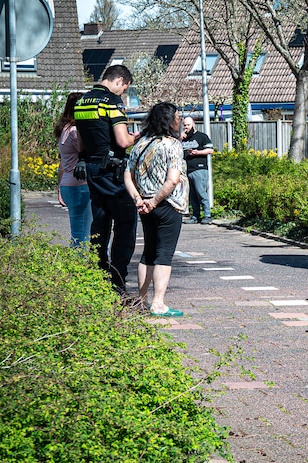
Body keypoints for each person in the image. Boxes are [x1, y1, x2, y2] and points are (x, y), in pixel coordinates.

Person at [124, 102, 189, 317]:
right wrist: (154, 201)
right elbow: (172, 180)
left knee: (148, 253)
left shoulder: (141, 143)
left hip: (144, 205)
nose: (179, 120)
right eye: (177, 116)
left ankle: (141, 301)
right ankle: (158, 303)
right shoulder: (173, 145)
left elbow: (128, 175)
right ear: (169, 120)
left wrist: (138, 199)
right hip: (167, 204)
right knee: (164, 254)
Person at [75, 64, 136, 295]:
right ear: (119, 80)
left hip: (92, 169)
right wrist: (136, 137)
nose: (122, 94)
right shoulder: (111, 101)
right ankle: (117, 280)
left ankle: (97, 274)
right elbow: (121, 141)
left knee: (99, 223)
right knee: (125, 224)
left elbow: (80, 141)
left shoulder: (82, 102)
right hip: (113, 171)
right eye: (124, 89)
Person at [55, 91, 90, 247]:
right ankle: (80, 267)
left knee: (77, 232)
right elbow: (90, 153)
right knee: (84, 233)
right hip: (81, 185)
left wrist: (59, 188)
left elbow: (62, 164)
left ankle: (74, 265)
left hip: (68, 183)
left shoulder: (65, 130)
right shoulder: (76, 132)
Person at [179, 116, 214, 224]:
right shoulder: (183, 139)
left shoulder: (201, 136)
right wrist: (179, 139)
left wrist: (197, 152)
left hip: (199, 168)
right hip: (187, 170)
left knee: (201, 192)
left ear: (193, 124)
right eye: (184, 125)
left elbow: (210, 150)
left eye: (188, 125)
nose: (186, 127)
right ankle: (195, 216)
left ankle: (207, 215)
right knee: (192, 195)